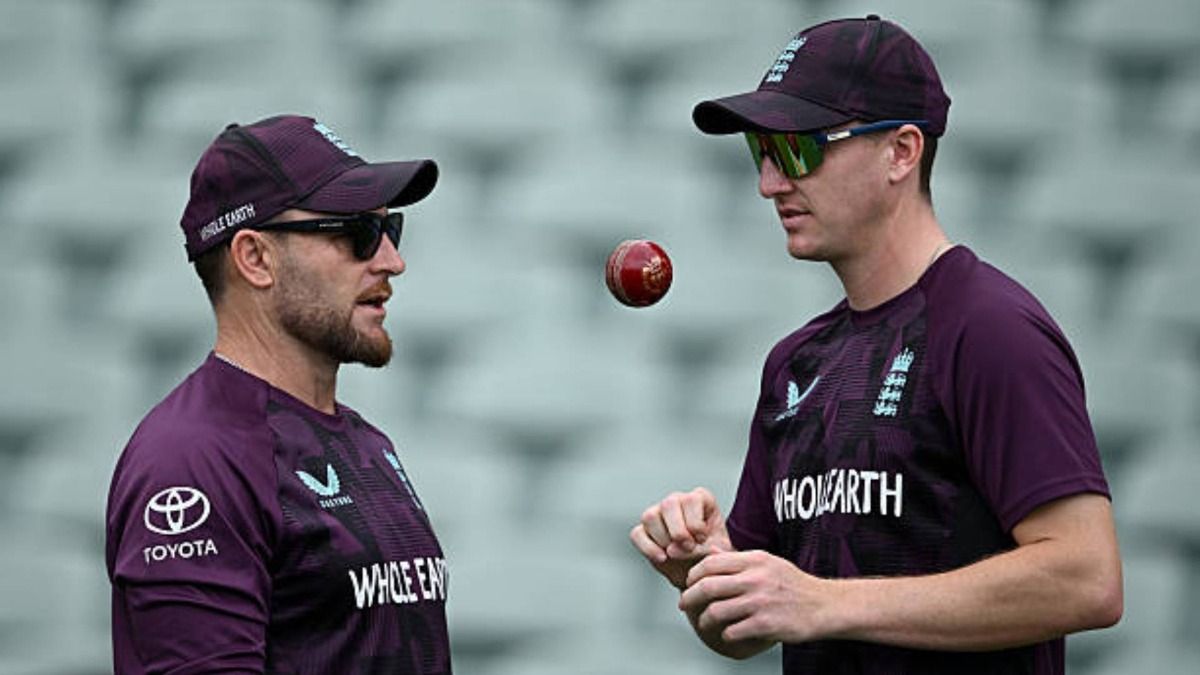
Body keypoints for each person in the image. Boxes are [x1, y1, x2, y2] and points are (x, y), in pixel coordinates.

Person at [630, 15, 1122, 674]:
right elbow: (755, 629)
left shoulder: (991, 329)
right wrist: (708, 571)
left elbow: (1087, 577)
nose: (770, 182)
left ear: (901, 151)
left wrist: (827, 602)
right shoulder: (794, 363)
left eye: (799, 148)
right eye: (762, 152)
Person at [105, 115, 451, 674]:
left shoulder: (368, 443)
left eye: (393, 231)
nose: (392, 261)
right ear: (255, 258)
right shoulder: (192, 459)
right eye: (358, 233)